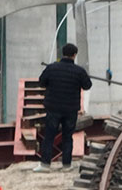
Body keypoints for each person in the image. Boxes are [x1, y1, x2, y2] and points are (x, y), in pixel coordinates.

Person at [35, 43, 93, 173]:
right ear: (74, 55)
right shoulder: (79, 71)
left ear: (63, 53)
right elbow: (87, 85)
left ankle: (45, 165)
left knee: (49, 136)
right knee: (67, 137)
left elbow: (41, 81)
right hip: (70, 109)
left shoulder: (51, 68)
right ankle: (66, 165)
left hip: (53, 108)